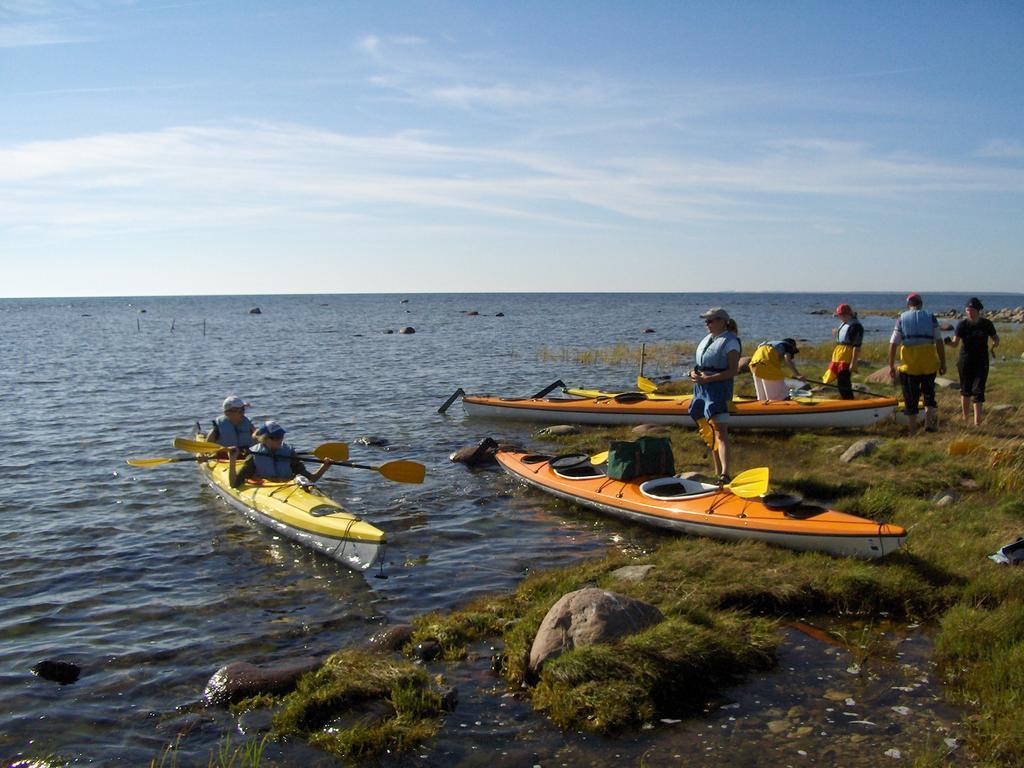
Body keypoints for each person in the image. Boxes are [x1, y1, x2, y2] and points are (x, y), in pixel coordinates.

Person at [688, 307, 742, 484]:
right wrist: (693, 374)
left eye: (710, 321)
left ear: (722, 322)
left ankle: (725, 474)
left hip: (718, 390)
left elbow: (733, 370)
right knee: (710, 431)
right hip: (702, 390)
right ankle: (717, 471)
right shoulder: (709, 340)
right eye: (706, 321)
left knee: (721, 432)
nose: (706, 324)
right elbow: (699, 366)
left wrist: (710, 379)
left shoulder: (731, 342)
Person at [888, 293, 946, 435]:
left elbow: (893, 344)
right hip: (929, 364)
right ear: (921, 304)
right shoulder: (931, 317)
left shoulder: (901, 319)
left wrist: (891, 366)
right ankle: (928, 422)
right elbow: (939, 341)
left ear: (908, 304)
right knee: (929, 394)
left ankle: (912, 429)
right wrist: (942, 362)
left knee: (910, 397)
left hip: (909, 365)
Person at [228, 420, 333, 488]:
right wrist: (232, 460)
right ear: (265, 439)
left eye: (281, 436)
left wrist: (324, 467)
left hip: (288, 488)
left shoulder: (288, 453)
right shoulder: (254, 456)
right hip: (267, 490)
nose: (280, 440)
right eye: (275, 437)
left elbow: (311, 479)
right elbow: (234, 484)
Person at [945, 297, 999, 426]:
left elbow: (995, 336)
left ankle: (977, 422)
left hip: (982, 360)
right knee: (965, 390)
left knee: (979, 390)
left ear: (978, 311)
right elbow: (955, 343)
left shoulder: (986, 324)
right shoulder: (962, 324)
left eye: (972, 310)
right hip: (965, 360)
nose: (969, 313)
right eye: (967, 310)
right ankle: (965, 418)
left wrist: (996, 341)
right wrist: (948, 343)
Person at [823, 304, 863, 400]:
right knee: (841, 382)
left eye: (839, 316)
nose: (839, 318)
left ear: (845, 315)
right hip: (839, 355)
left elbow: (856, 347)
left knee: (844, 382)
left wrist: (853, 363)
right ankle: (847, 401)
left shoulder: (856, 326)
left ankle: (849, 402)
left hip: (846, 357)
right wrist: (836, 333)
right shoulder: (846, 323)